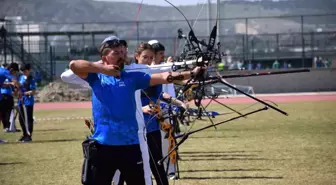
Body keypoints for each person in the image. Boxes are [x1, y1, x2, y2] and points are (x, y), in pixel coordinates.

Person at [69, 36, 201, 185]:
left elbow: (164, 76)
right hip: (103, 146)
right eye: (115, 53)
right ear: (105, 57)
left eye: (121, 52)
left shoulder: (131, 77)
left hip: (130, 146)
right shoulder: (95, 77)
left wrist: (192, 73)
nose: (121, 55)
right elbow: (74, 65)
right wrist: (103, 68)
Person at [0, 62, 19, 143]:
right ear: (11, 69)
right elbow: (15, 82)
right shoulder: (6, 72)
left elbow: (2, 84)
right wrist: (17, 88)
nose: (15, 73)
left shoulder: (1, 70)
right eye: (15, 72)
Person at [17, 64, 36, 142]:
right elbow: (19, 87)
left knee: (28, 119)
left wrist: (25, 93)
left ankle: (29, 136)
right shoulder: (21, 78)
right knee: (21, 118)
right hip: (21, 100)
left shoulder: (31, 79)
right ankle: (24, 134)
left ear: (29, 70)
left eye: (25, 71)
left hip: (28, 101)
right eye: (22, 71)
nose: (24, 73)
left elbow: (33, 91)